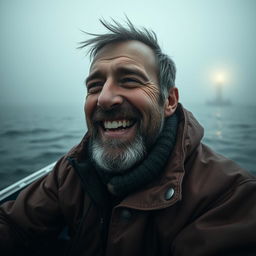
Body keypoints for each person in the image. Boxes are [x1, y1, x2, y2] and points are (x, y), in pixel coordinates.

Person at [0, 18, 256, 256]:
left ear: (169, 101)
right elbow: (13, 225)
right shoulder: (72, 171)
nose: (105, 98)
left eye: (130, 81)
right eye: (95, 86)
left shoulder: (228, 196)